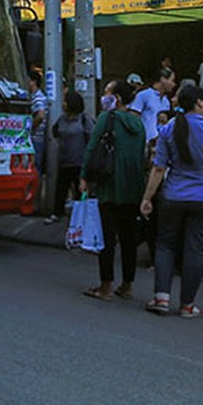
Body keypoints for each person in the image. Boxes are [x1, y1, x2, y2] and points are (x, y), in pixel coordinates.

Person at [141, 85, 203, 318]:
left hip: (173, 196)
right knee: (195, 250)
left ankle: (161, 298)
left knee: (165, 246)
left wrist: (147, 197)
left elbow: (159, 168)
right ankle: (187, 304)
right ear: (200, 103)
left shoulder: (168, 129)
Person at [79, 79, 147, 301]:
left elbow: (92, 148)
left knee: (107, 238)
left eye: (107, 93)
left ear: (116, 98)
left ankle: (105, 285)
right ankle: (127, 285)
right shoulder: (139, 124)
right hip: (133, 187)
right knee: (129, 240)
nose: (104, 97)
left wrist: (84, 177)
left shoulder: (106, 118)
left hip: (109, 185)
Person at [46, 91, 92, 225]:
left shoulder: (84, 120)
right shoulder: (62, 119)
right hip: (64, 160)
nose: (63, 104)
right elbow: (55, 131)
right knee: (61, 189)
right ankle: (56, 213)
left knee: (79, 191)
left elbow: (91, 138)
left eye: (66, 101)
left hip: (79, 162)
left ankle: (81, 218)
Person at [130, 68, 175, 149]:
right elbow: (133, 118)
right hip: (144, 144)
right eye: (172, 80)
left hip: (160, 145)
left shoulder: (166, 101)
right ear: (163, 79)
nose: (174, 84)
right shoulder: (143, 95)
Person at [28, 70, 48, 172]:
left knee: (35, 169)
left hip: (36, 138)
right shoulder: (33, 96)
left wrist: (31, 128)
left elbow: (40, 115)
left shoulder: (38, 97)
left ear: (33, 81)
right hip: (37, 138)